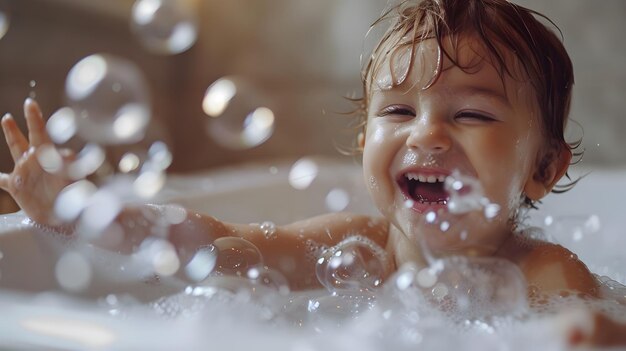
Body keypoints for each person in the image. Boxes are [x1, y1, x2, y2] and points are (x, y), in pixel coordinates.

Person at [1, 0, 625, 347]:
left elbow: (575, 333)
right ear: (362, 144)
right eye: (399, 111)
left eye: (471, 113)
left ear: (543, 169)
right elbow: (210, 245)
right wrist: (76, 214)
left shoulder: (545, 272)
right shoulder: (353, 245)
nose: (427, 134)